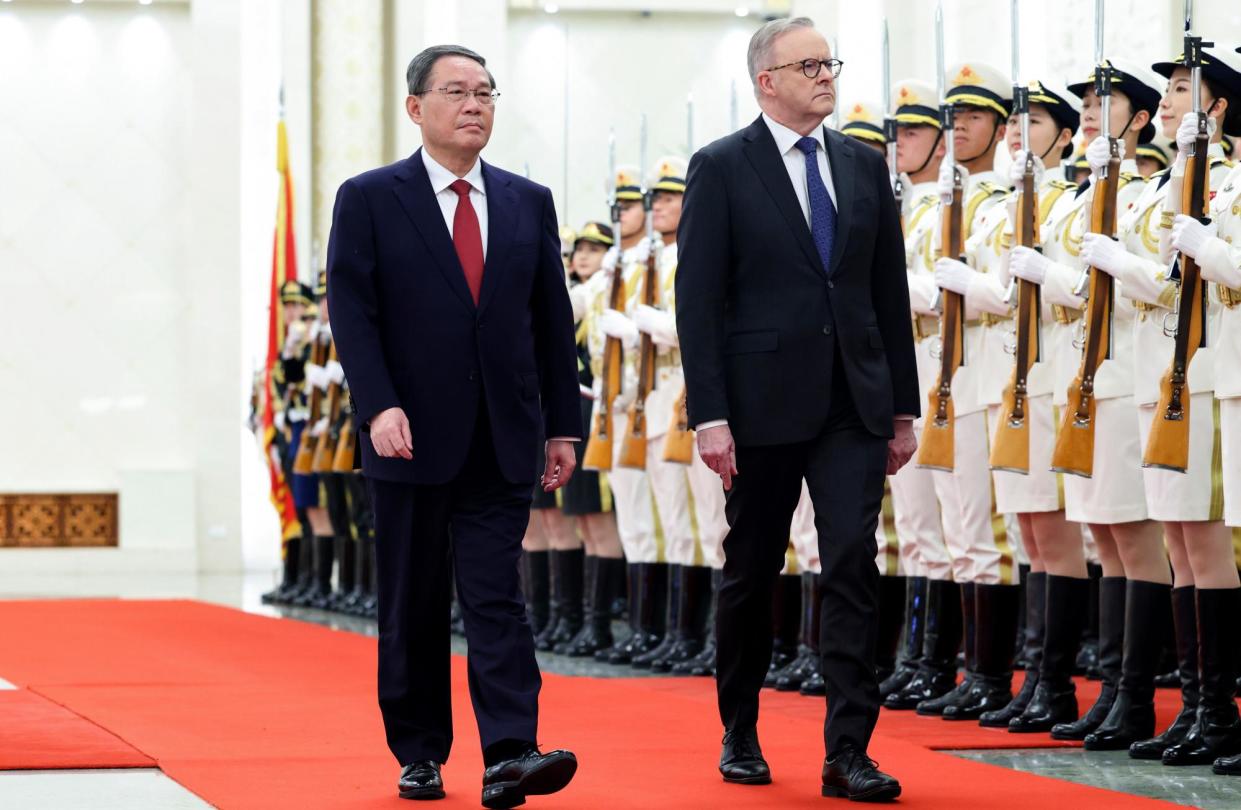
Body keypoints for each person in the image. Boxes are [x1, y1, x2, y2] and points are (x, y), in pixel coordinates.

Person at [326, 44, 581, 807]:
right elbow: (353, 312)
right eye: (457, 92)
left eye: (486, 93)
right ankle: (418, 751)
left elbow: (549, 321)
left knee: (496, 595)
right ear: (416, 108)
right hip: (407, 434)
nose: (475, 105)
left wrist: (562, 427)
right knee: (410, 598)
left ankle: (511, 753)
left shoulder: (526, 200)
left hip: (504, 435)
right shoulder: (370, 197)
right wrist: (378, 405)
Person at [676, 17, 918, 802]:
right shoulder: (720, 167)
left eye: (828, 62)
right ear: (764, 80)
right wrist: (708, 414)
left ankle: (848, 749)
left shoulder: (862, 163)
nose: (824, 75)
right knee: (751, 566)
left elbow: (887, 293)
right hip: (757, 405)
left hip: (854, 400)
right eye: (807, 64)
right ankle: (738, 727)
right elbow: (698, 300)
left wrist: (902, 408)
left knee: (851, 562)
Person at [881, 79, 957, 706]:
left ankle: (945, 661)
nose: (899, 143)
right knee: (915, 527)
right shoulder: (898, 206)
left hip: (946, 364)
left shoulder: (957, 204)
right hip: (901, 371)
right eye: (896, 132)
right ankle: (918, 655)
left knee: (959, 528)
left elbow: (935, 294)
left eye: (912, 132)